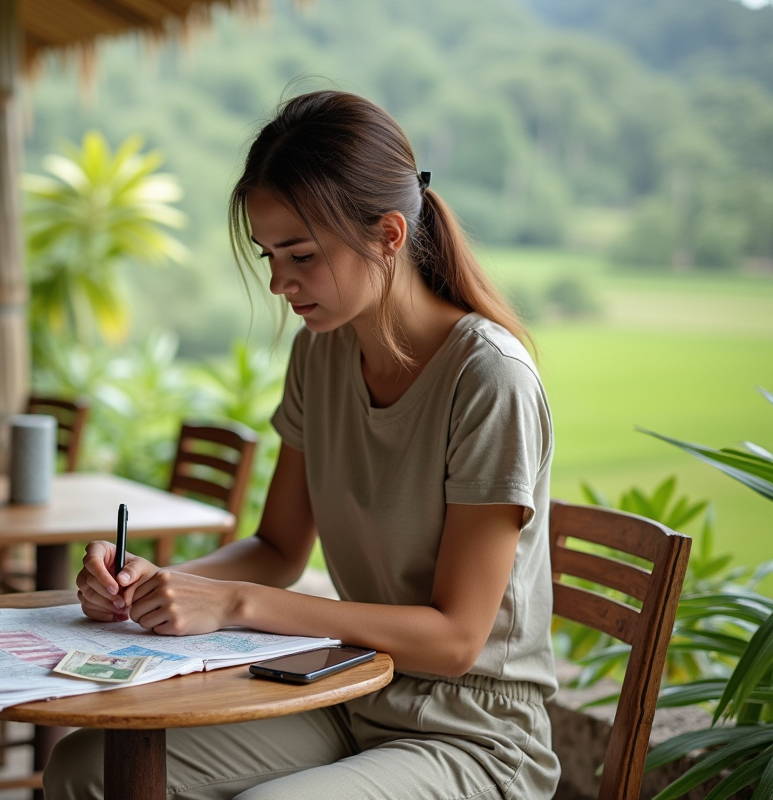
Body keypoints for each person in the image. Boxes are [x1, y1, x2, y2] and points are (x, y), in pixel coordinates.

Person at [44, 90, 560, 800]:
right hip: (349, 690)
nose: (279, 281)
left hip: (471, 731)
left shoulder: (487, 378)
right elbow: (280, 551)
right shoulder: (320, 355)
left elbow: (455, 640)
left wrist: (235, 605)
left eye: (301, 254)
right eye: (268, 253)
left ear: (388, 234)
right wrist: (154, 587)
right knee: (84, 767)